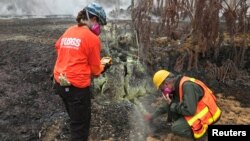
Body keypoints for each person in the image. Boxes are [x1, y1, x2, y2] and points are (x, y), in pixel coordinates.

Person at [52, 2, 109, 141]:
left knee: (75, 119)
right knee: (80, 129)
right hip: (77, 89)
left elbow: (58, 46)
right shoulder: (92, 38)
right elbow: (96, 70)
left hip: (59, 83)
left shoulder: (69, 30)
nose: (99, 27)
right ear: (94, 19)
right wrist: (104, 66)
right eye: (100, 23)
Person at [144, 70, 222, 140]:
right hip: (197, 109)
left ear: (166, 83)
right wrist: (153, 115)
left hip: (209, 114)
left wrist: (172, 105)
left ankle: (204, 135)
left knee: (177, 128)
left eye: (162, 89)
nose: (163, 91)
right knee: (173, 110)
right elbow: (167, 105)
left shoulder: (187, 86)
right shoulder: (177, 86)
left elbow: (189, 111)